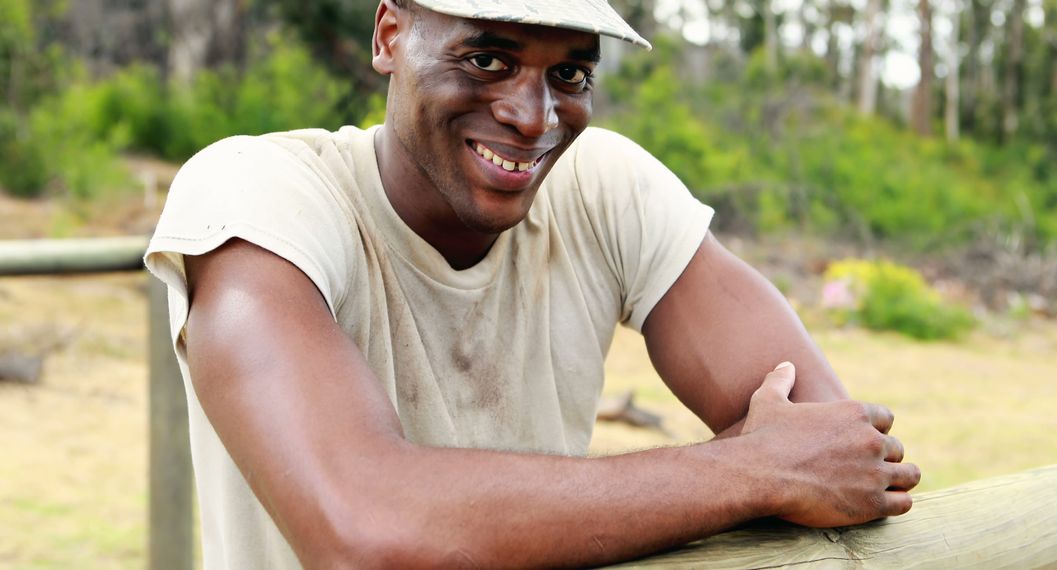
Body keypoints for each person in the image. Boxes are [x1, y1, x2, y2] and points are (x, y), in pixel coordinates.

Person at [145, 0, 921, 567]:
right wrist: (750, 472)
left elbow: (832, 448)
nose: (532, 113)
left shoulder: (602, 185)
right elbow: (364, 527)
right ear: (389, 34)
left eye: (571, 71)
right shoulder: (256, 195)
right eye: (488, 58)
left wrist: (775, 468)